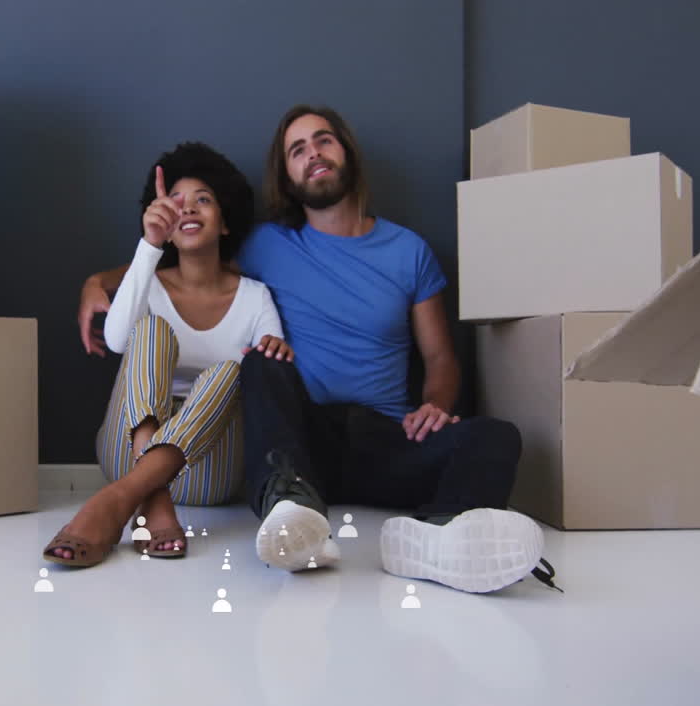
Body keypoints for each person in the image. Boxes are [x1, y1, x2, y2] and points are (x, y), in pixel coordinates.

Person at [78, 106, 558, 593]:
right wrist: (98, 281)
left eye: (323, 141)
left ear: (346, 152)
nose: (313, 155)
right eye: (297, 150)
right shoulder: (267, 244)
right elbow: (189, 256)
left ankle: (438, 538)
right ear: (287, 175)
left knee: (497, 436)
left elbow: (439, 357)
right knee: (262, 360)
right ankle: (292, 510)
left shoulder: (408, 251)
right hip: (297, 437)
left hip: (385, 437)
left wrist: (434, 406)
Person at [44, 142, 292, 568]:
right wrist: (150, 244)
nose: (189, 209)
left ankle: (119, 499)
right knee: (151, 332)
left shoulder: (255, 298)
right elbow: (119, 341)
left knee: (236, 369)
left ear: (225, 221)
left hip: (208, 468)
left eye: (204, 200)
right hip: (126, 447)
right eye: (177, 202)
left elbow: (270, 368)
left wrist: (276, 350)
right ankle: (152, 495)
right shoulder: (149, 282)